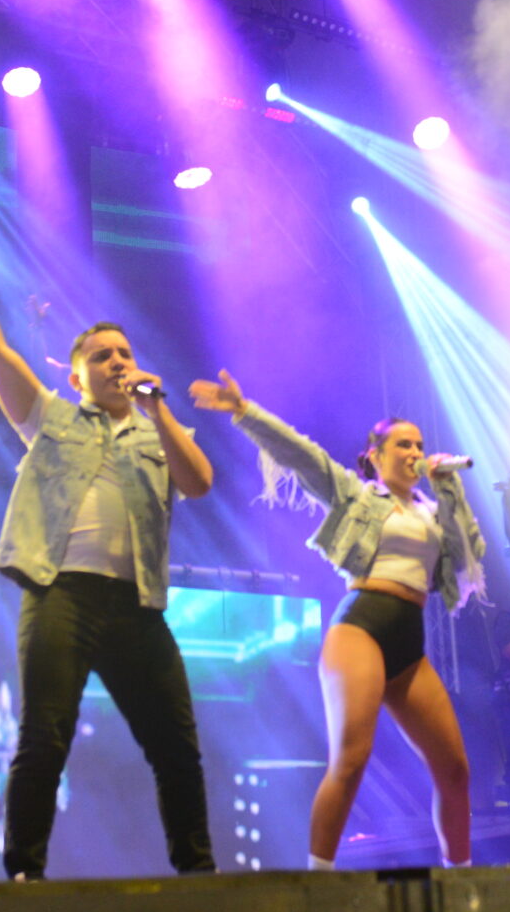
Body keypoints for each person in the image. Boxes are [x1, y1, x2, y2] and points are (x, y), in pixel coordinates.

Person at [0, 233, 217, 880]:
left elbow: (198, 482)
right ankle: (25, 873)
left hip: (137, 605)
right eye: (101, 355)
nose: (117, 362)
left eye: (125, 353)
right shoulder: (52, 418)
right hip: (63, 593)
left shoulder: (157, 431)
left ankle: (198, 873)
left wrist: (158, 409)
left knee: (176, 746)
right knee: (44, 736)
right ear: (76, 375)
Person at [191, 373, 485, 870]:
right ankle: (319, 880)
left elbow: (466, 555)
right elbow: (303, 455)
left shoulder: (434, 512)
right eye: (403, 445)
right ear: (375, 455)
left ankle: (463, 880)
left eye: (419, 445)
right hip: (362, 625)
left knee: (455, 770)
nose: (415, 452)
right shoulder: (358, 496)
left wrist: (449, 487)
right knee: (351, 759)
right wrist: (245, 410)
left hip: (409, 640)